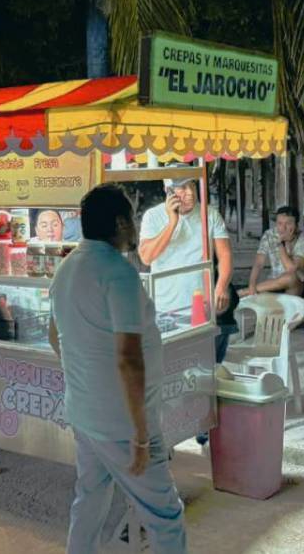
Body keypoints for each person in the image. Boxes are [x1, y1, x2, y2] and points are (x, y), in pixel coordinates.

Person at [49, 183, 186, 554]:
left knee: (90, 500)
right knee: (165, 515)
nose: (136, 227)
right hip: (122, 423)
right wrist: (141, 435)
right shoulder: (119, 273)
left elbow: (53, 333)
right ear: (121, 223)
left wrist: (84, 376)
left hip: (85, 413)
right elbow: (128, 356)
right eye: (132, 218)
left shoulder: (67, 268)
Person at [138, 170, 234, 363]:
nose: (190, 193)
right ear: (169, 191)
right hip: (165, 305)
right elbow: (146, 258)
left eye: (192, 185)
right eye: (182, 188)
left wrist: (221, 286)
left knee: (203, 363)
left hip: (201, 304)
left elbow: (224, 254)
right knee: (170, 362)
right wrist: (172, 223)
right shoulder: (153, 216)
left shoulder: (210, 214)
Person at [241, 206, 304, 298]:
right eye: (279, 223)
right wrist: (252, 285)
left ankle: (242, 292)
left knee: (290, 277)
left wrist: (280, 244)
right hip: (274, 282)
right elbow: (258, 263)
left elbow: (291, 269)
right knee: (263, 303)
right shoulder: (270, 235)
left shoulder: (303, 241)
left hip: (298, 284)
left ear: (296, 225)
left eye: (288, 223)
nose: (283, 228)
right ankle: (247, 291)